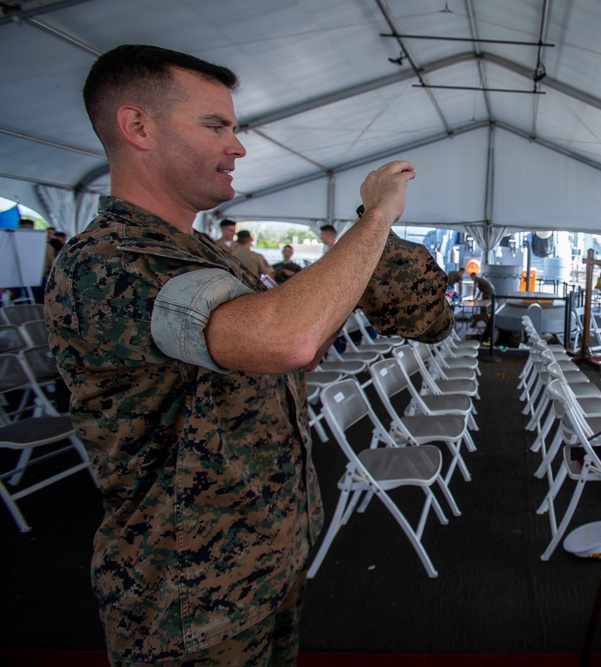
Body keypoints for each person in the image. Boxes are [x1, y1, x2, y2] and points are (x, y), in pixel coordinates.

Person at [45, 43, 415, 666]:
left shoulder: (204, 255)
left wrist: (338, 300)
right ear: (137, 126)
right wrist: (375, 217)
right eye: (215, 125)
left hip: (263, 560)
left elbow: (295, 348)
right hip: (187, 601)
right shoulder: (109, 262)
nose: (237, 147)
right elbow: (286, 338)